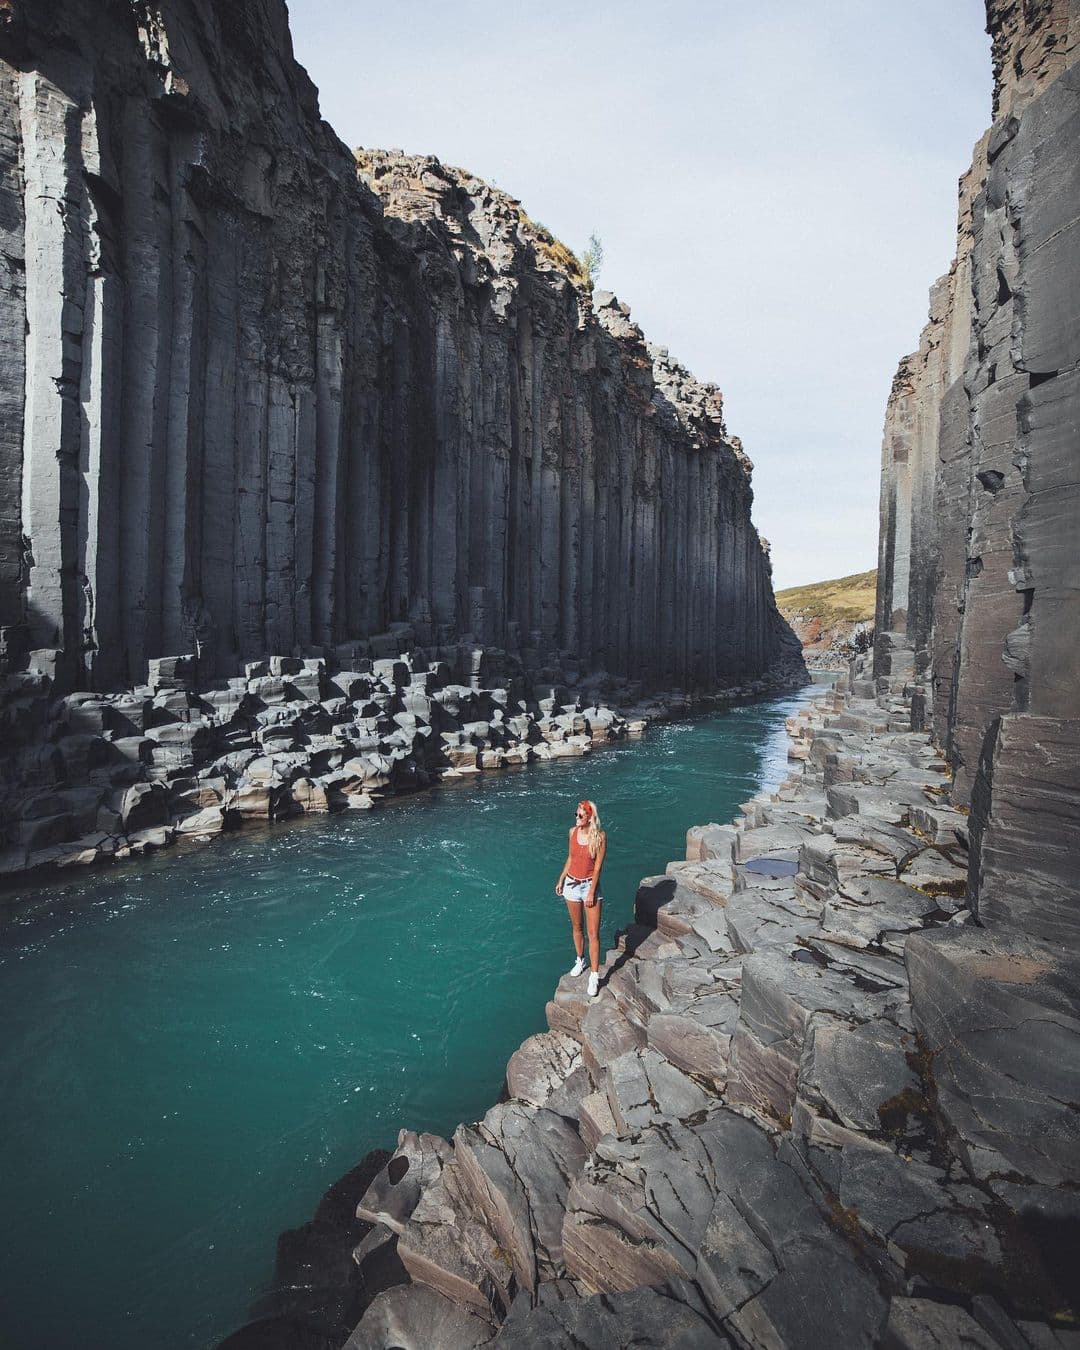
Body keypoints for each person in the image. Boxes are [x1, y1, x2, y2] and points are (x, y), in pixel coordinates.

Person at [554, 799, 607, 997]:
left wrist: (592, 892)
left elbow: (598, 867)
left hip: (589, 887)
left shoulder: (600, 837)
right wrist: (561, 880)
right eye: (575, 814)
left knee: (593, 933)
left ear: (590, 817)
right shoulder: (572, 832)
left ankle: (594, 975)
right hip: (571, 885)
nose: (576, 818)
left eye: (580, 815)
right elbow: (571, 857)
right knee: (577, 928)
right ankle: (580, 959)